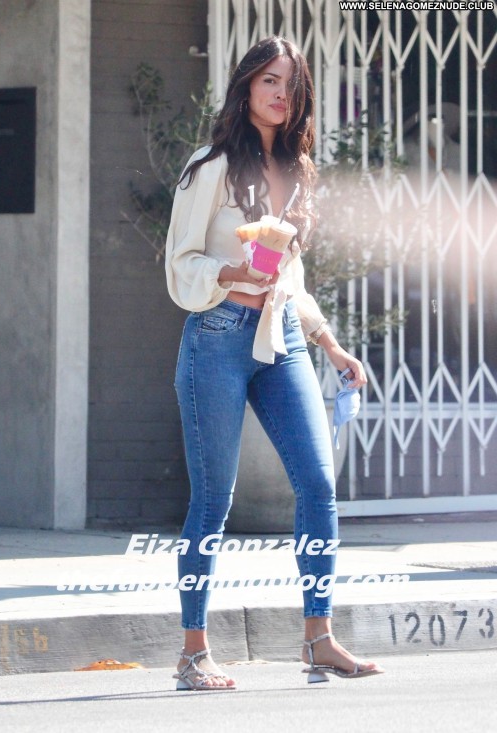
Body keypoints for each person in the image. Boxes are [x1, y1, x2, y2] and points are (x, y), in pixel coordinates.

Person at [165, 36, 384, 691]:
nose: (280, 93)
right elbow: (179, 264)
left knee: (317, 484)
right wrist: (231, 271)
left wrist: (330, 344)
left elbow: (291, 277)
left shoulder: (296, 169)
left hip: (280, 337)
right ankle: (193, 652)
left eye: (290, 83)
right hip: (217, 337)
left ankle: (319, 638)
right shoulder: (210, 166)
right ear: (246, 86)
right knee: (213, 500)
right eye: (268, 80)